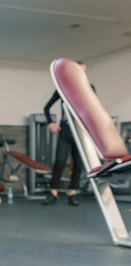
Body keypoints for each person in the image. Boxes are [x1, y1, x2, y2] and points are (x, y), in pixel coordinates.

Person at [43, 61, 94, 206]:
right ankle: (53, 192)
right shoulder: (62, 88)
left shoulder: (89, 88)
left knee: (78, 164)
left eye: (84, 71)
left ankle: (73, 193)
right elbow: (46, 108)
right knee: (60, 161)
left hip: (81, 130)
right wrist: (50, 123)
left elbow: (93, 109)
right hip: (65, 129)